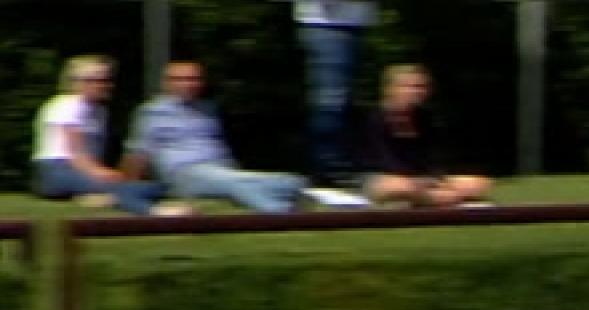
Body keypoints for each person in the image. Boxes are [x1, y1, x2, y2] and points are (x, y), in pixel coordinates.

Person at [123, 61, 314, 213]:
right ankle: (279, 211)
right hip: (183, 174)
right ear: (167, 83)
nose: (188, 84)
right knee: (236, 184)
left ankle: (290, 189)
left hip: (220, 170)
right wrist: (127, 188)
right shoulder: (152, 112)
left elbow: (219, 145)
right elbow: (138, 154)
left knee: (288, 180)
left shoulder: (208, 109)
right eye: (180, 79)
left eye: (194, 79)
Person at [29, 55, 169, 216]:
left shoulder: (98, 111)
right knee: (128, 188)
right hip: (57, 170)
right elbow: (75, 153)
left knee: (154, 187)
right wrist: (101, 173)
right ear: (76, 82)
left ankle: (100, 197)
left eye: (106, 80)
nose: (104, 85)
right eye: (96, 80)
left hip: (77, 170)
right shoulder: (68, 105)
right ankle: (153, 211)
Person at [358, 64, 492, 208]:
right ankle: (440, 200)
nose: (417, 92)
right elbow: (380, 162)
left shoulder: (426, 119)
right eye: (410, 87)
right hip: (383, 179)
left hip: (423, 181)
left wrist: (436, 180)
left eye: (422, 87)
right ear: (391, 89)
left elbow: (435, 161)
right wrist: (421, 182)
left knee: (477, 183)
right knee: (399, 186)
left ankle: (431, 199)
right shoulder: (373, 119)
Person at [290, 0, 379, 187]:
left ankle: (339, 165)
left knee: (342, 102)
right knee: (330, 101)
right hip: (326, 22)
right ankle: (329, 168)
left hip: (353, 21)